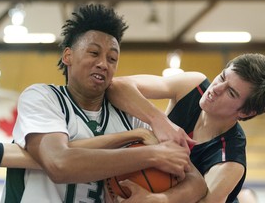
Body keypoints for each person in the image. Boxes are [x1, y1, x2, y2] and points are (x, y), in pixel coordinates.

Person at [1, 4, 207, 203]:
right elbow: (59, 163)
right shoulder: (43, 97)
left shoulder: (130, 117)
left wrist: (160, 199)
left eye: (112, 58)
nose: (103, 64)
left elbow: (197, 183)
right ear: (68, 55)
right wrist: (150, 155)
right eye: (94, 53)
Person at [107, 53, 265, 202]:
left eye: (230, 92)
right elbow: (116, 86)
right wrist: (158, 120)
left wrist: (160, 200)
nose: (216, 89)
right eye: (222, 77)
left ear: (245, 112)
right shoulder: (193, 86)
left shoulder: (229, 162)